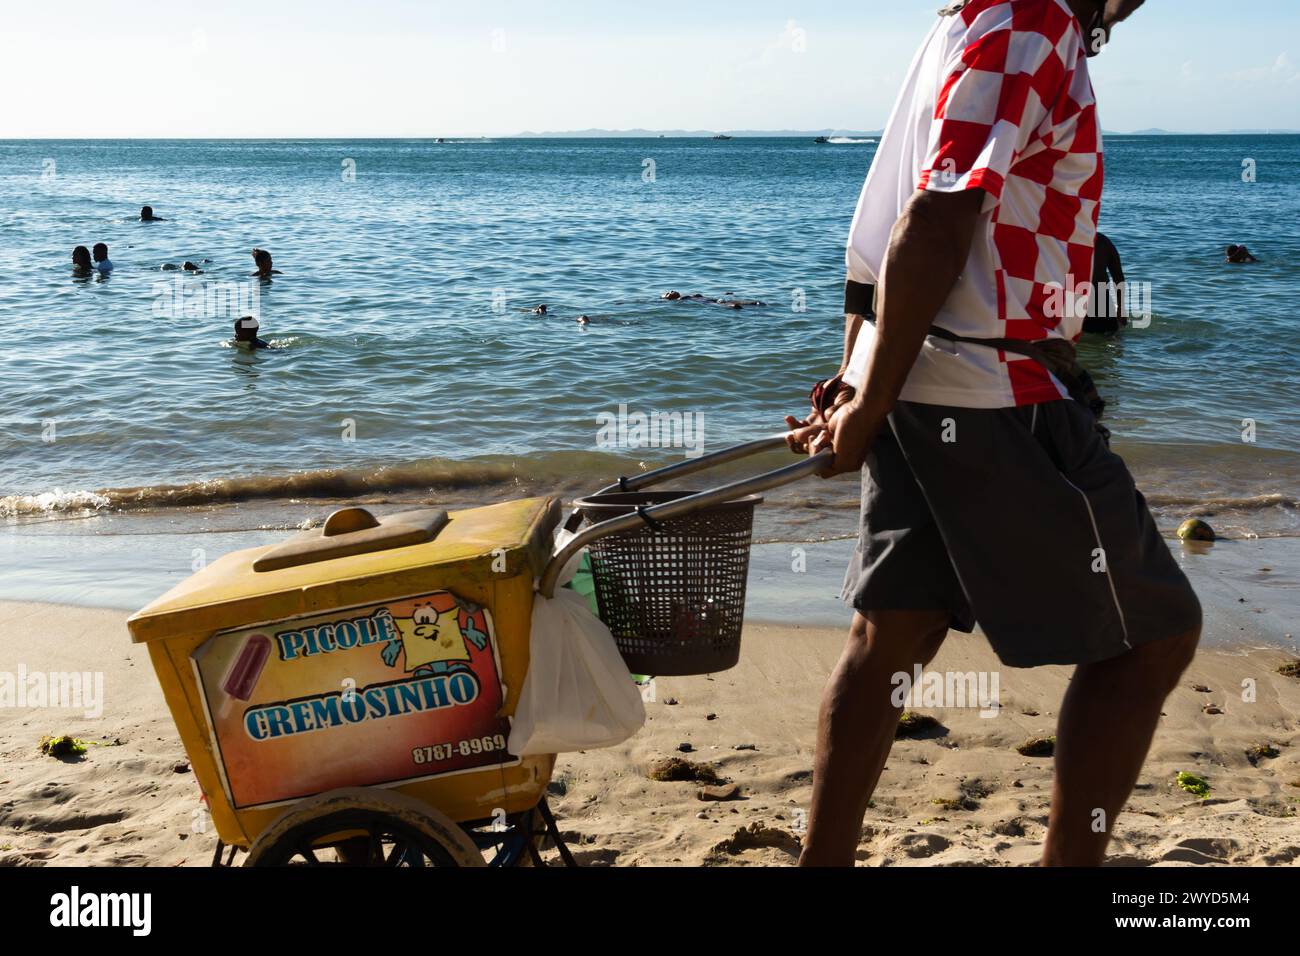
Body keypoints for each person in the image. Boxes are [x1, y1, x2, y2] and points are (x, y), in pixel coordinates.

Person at [785, 0, 1199, 868]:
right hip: (995, 390)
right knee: (1156, 633)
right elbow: (935, 214)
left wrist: (859, 380)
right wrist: (858, 404)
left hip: (915, 374)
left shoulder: (962, 22)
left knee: (889, 638)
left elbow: (879, 233)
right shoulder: (1033, 20)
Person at [1084, 232, 1126, 334]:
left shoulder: (1066, 241)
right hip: (1103, 305)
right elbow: (1118, 278)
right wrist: (1121, 309)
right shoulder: (1104, 241)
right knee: (1113, 340)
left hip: (1075, 305)